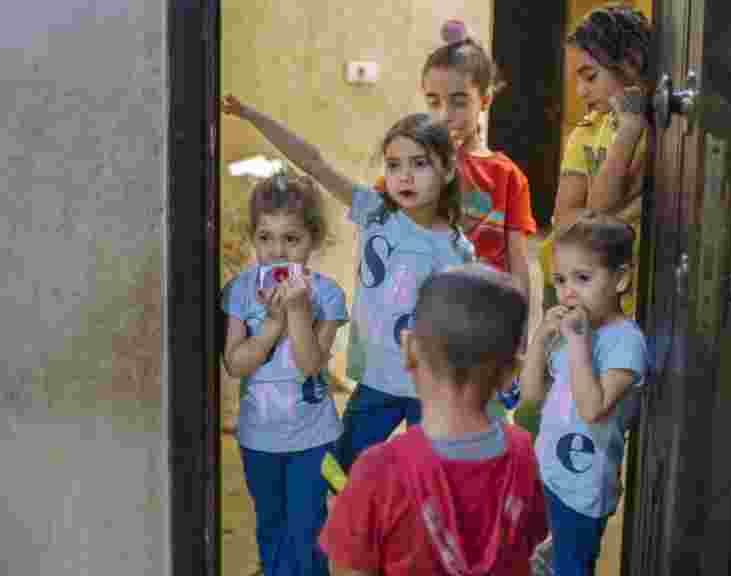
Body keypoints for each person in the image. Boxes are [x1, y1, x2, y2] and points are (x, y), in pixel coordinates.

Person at [222, 95, 475, 475]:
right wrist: (251, 114)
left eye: (419, 164)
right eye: (394, 165)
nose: (404, 176)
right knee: (340, 472)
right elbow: (312, 162)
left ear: (449, 170)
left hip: (430, 386)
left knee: (429, 479)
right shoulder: (374, 213)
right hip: (376, 380)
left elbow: (463, 327)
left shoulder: (457, 250)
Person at [319, 263, 548, 575]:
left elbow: (351, 569)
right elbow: (530, 539)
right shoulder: (523, 453)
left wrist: (348, 515)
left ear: (409, 350)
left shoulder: (378, 470)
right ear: (511, 374)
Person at [367, 19, 539, 421]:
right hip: (425, 321)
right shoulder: (413, 169)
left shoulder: (507, 176)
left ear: (485, 99)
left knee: (473, 424)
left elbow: (518, 264)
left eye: (459, 101)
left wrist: (519, 337)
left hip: (483, 324)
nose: (444, 114)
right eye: (433, 102)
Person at [519, 1, 654, 438]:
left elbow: (596, 209)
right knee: (552, 393)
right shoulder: (588, 132)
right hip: (570, 278)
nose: (579, 91)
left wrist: (631, 129)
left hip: (620, 292)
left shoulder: (657, 128)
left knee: (602, 409)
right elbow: (573, 216)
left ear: (630, 63)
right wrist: (624, 137)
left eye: (590, 75)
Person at [220, 171, 349, 575]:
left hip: (314, 438)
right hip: (258, 438)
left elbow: (310, 365)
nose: (277, 250)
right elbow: (235, 364)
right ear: (253, 238)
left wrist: (297, 311)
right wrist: (272, 325)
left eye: (291, 239)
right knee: (271, 527)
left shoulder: (327, 294)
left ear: (313, 240)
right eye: (265, 237)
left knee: (308, 531)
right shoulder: (239, 291)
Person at [519, 210, 650, 576]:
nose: (568, 292)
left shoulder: (625, 343)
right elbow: (532, 397)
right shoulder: (572, 332)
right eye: (560, 280)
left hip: (584, 487)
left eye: (583, 278)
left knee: (571, 568)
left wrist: (578, 342)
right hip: (548, 471)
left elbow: (593, 409)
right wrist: (540, 341)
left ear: (621, 279)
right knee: (537, 561)